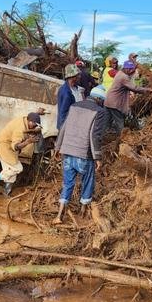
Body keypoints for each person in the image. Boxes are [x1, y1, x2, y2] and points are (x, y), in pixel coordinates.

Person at [53, 86, 108, 224]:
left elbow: (63, 128)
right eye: (102, 101)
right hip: (84, 154)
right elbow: (94, 135)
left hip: (67, 152)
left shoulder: (74, 106)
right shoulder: (99, 111)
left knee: (67, 184)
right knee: (88, 182)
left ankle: (59, 216)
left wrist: (57, 147)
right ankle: (83, 213)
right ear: (99, 99)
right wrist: (97, 157)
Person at [0, 112, 42, 195]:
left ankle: (6, 193)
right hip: (4, 147)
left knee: (9, 171)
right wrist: (28, 141)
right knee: (17, 168)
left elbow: (31, 116)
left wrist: (38, 113)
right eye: (34, 123)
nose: (35, 126)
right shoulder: (19, 130)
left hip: (6, 146)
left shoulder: (24, 119)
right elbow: (15, 146)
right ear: (29, 121)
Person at [104, 60, 152, 142]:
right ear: (126, 69)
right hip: (115, 103)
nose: (132, 72)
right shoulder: (124, 77)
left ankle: (104, 139)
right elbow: (134, 88)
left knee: (106, 123)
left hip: (109, 101)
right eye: (131, 70)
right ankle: (122, 141)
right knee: (120, 124)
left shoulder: (120, 73)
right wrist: (148, 90)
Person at [57, 64, 83, 131]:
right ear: (72, 76)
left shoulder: (75, 88)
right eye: (78, 75)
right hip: (68, 126)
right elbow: (63, 113)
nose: (80, 77)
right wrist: (63, 129)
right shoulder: (66, 93)